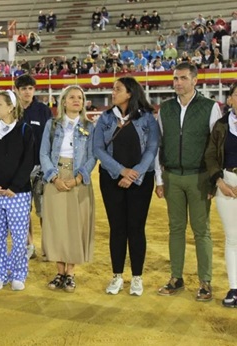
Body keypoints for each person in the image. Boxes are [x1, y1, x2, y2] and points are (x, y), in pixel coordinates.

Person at [155, 62, 222, 301]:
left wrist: (215, 180)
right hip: (172, 177)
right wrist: (158, 178)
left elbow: (217, 147)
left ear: (194, 80)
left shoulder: (210, 107)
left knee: (201, 231)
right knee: (175, 229)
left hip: (200, 177)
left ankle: (205, 282)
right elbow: (158, 145)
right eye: (175, 78)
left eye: (182, 78)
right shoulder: (165, 109)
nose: (178, 83)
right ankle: (176, 278)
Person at [93, 77, 159, 296]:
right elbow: (98, 149)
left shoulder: (148, 118)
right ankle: (117, 276)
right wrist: (122, 171)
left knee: (136, 229)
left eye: (117, 89)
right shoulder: (105, 117)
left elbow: (152, 149)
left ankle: (137, 278)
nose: (113, 92)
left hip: (140, 180)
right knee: (117, 228)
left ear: (130, 93)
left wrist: (134, 174)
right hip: (111, 179)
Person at [40, 86, 96, 293]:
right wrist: (53, 177)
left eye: (80, 98)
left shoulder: (90, 127)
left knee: (74, 225)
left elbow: (92, 156)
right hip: (55, 176)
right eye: (71, 97)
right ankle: (59, 271)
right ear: (63, 102)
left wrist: (79, 177)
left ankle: (70, 273)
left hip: (78, 179)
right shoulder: (52, 125)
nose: (76, 100)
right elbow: (43, 153)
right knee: (57, 225)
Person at [0, 90, 35, 291]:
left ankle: (19, 274)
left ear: (11, 107)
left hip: (17, 194)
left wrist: (15, 187)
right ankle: (0, 274)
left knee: (20, 237)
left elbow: (28, 161)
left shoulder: (25, 130)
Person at [205, 83, 237, 307]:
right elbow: (210, 155)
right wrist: (218, 180)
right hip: (226, 183)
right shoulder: (220, 125)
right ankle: (235, 288)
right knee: (233, 239)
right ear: (231, 100)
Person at [15, 74, 52, 259]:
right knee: (23, 210)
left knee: (44, 209)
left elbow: (51, 138)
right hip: (18, 169)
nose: (27, 92)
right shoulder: (13, 111)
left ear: (34, 90)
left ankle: (47, 245)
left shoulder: (43, 110)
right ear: (17, 91)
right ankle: (29, 245)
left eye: (30, 88)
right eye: (23, 89)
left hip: (40, 167)